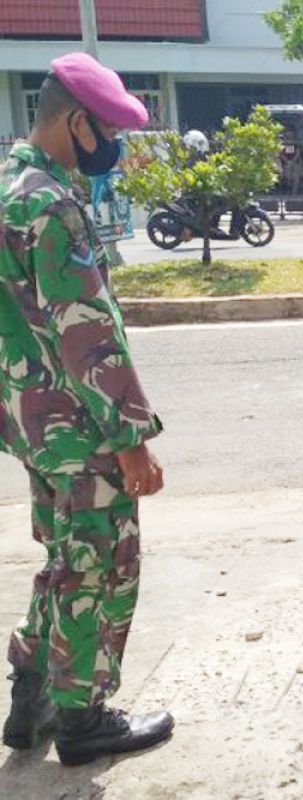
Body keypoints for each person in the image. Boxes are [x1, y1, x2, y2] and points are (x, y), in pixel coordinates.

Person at [1, 53, 174, 765]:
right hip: (80, 425)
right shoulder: (51, 204)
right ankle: (82, 720)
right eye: (108, 129)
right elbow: (87, 333)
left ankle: (31, 694)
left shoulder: (11, 189)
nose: (116, 146)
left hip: (31, 423)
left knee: (62, 556)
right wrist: (132, 437)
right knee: (98, 564)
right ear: (75, 122)